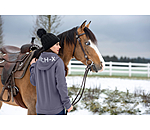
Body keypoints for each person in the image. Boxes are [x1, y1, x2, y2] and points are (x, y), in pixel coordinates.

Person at [30, 28, 73, 115]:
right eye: (57, 44)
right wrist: (67, 104)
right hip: (56, 110)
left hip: (40, 110)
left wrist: (32, 66)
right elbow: (61, 85)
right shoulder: (58, 61)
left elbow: (33, 82)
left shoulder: (37, 62)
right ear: (50, 46)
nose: (59, 47)